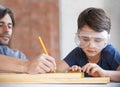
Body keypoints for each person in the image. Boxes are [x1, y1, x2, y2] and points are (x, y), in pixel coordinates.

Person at [56, 7, 120, 82]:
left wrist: (104, 73)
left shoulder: (110, 53)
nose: (91, 46)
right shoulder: (78, 53)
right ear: (79, 37)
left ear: (106, 40)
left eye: (98, 40)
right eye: (85, 39)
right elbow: (56, 70)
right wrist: (70, 74)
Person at [0, 5, 56, 74]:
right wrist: (26, 66)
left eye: (9, 26)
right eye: (0, 25)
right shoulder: (22, 61)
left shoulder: (18, 56)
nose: (7, 30)